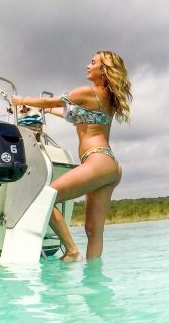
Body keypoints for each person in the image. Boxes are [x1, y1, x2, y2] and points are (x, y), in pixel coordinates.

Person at [10, 50, 132, 262]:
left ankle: (72, 251)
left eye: (92, 62)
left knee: (44, 197)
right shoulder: (103, 98)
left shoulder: (88, 92)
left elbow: (55, 102)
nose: (88, 65)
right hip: (109, 165)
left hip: (97, 160)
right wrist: (46, 112)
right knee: (94, 231)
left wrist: (21, 100)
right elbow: (71, 115)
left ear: (103, 69)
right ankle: (95, 284)